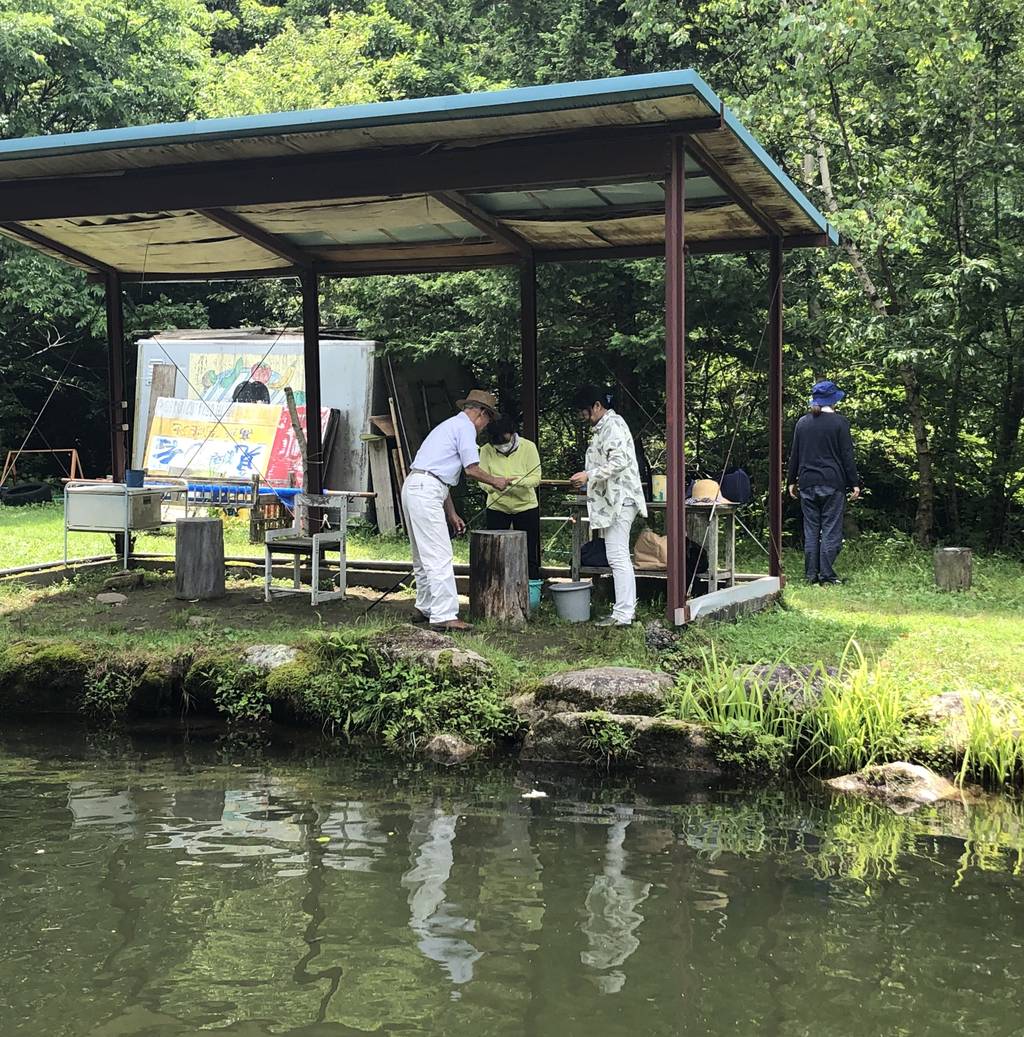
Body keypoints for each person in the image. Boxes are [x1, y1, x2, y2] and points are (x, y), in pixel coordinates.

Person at [401, 389, 511, 632]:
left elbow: (440, 475)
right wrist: (497, 481)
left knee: (422, 554)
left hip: (417, 485)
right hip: (427, 488)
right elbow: (471, 469)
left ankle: (426, 605)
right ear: (481, 413)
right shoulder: (465, 429)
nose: (485, 426)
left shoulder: (449, 426)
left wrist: (450, 513)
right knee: (439, 554)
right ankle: (444, 614)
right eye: (488, 419)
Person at [569, 385, 648, 626]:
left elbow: (620, 461)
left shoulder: (613, 425)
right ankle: (623, 611)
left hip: (621, 500)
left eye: (585, 411)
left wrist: (588, 475)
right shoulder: (603, 428)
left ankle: (624, 614)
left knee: (618, 556)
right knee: (617, 556)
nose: (583, 416)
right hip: (613, 500)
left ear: (597, 406)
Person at [787, 379, 861, 585]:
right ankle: (827, 575)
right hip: (832, 482)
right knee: (830, 528)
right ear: (833, 400)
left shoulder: (803, 422)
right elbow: (847, 455)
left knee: (811, 530)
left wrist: (791, 480)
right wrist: (854, 482)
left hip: (807, 482)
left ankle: (811, 575)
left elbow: (796, 454)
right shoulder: (840, 423)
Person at [478, 414, 543, 579]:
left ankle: (531, 589)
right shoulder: (486, 450)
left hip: (526, 506)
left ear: (512, 433)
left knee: (530, 552)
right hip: (497, 507)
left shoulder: (528, 447)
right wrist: (493, 484)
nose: (501, 445)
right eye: (497, 442)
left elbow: (536, 478)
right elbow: (481, 480)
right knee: (495, 552)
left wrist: (514, 482)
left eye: (504, 441)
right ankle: (497, 587)